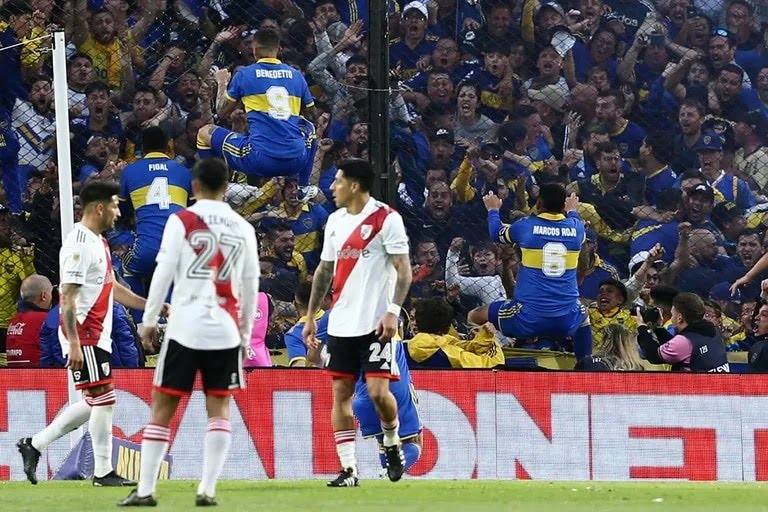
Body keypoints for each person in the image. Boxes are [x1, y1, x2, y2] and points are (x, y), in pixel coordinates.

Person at [118, 158, 259, 507]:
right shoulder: (243, 227)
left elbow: (163, 271)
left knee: (163, 407)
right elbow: (250, 285)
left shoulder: (181, 221)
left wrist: (149, 320)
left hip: (185, 327)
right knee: (219, 408)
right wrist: (244, 336)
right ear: (226, 187)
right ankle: (207, 489)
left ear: (194, 187)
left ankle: (146, 490)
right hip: (225, 329)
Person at [17, 181, 151, 486]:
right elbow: (67, 295)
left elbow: (113, 287)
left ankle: (34, 444)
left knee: (96, 401)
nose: (119, 213)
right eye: (115, 206)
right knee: (105, 399)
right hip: (84, 332)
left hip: (96, 334)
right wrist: (75, 343)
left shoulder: (99, 241)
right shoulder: (78, 244)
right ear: (100, 208)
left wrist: (150, 306)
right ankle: (102, 472)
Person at [302, 158, 413, 487]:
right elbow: (324, 270)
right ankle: (349, 470)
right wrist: (310, 316)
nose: (332, 187)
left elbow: (404, 271)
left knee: (379, 394)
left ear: (354, 185)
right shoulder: (334, 221)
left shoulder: (386, 219)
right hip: (341, 324)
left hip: (377, 324)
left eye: (337, 181)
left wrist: (393, 310)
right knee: (341, 395)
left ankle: (391, 441)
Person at [287, 282, 423, 475]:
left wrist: (328, 359)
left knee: (383, 443)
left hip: (362, 397)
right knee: (413, 442)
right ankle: (386, 475)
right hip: (392, 387)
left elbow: (313, 357)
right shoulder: (387, 312)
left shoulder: (333, 319)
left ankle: (380, 475)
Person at [468, 184, 593, 360]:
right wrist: (572, 210)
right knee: (583, 316)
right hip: (566, 317)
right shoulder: (577, 228)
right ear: (563, 206)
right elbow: (575, 221)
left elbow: (496, 233)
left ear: (539, 203)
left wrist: (493, 210)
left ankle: (482, 362)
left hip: (527, 318)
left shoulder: (525, 226)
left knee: (474, 316)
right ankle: (585, 365)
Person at [196, 29, 319, 200]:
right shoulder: (297, 76)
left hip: (259, 158)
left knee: (204, 133)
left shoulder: (244, 74)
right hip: (296, 160)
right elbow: (312, 115)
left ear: (254, 50)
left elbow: (222, 112)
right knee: (309, 126)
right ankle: (304, 187)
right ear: (279, 50)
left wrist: (222, 82)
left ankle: (213, 191)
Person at [119, 127, 194, 323]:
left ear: (142, 148)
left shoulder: (130, 171)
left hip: (147, 247)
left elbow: (122, 211)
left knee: (127, 268)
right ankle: (168, 323)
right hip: (179, 245)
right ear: (168, 146)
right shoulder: (183, 172)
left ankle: (138, 323)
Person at [636, 292, 730, 372]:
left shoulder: (685, 342)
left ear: (679, 318)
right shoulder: (713, 331)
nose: (671, 318)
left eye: (672, 314)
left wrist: (642, 327)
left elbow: (653, 356)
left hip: (694, 387)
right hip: (721, 386)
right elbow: (676, 347)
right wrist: (658, 328)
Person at [6, 274, 53, 366]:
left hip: (12, 372)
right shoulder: (45, 319)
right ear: (43, 296)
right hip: (40, 372)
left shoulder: (14, 320)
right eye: (51, 293)